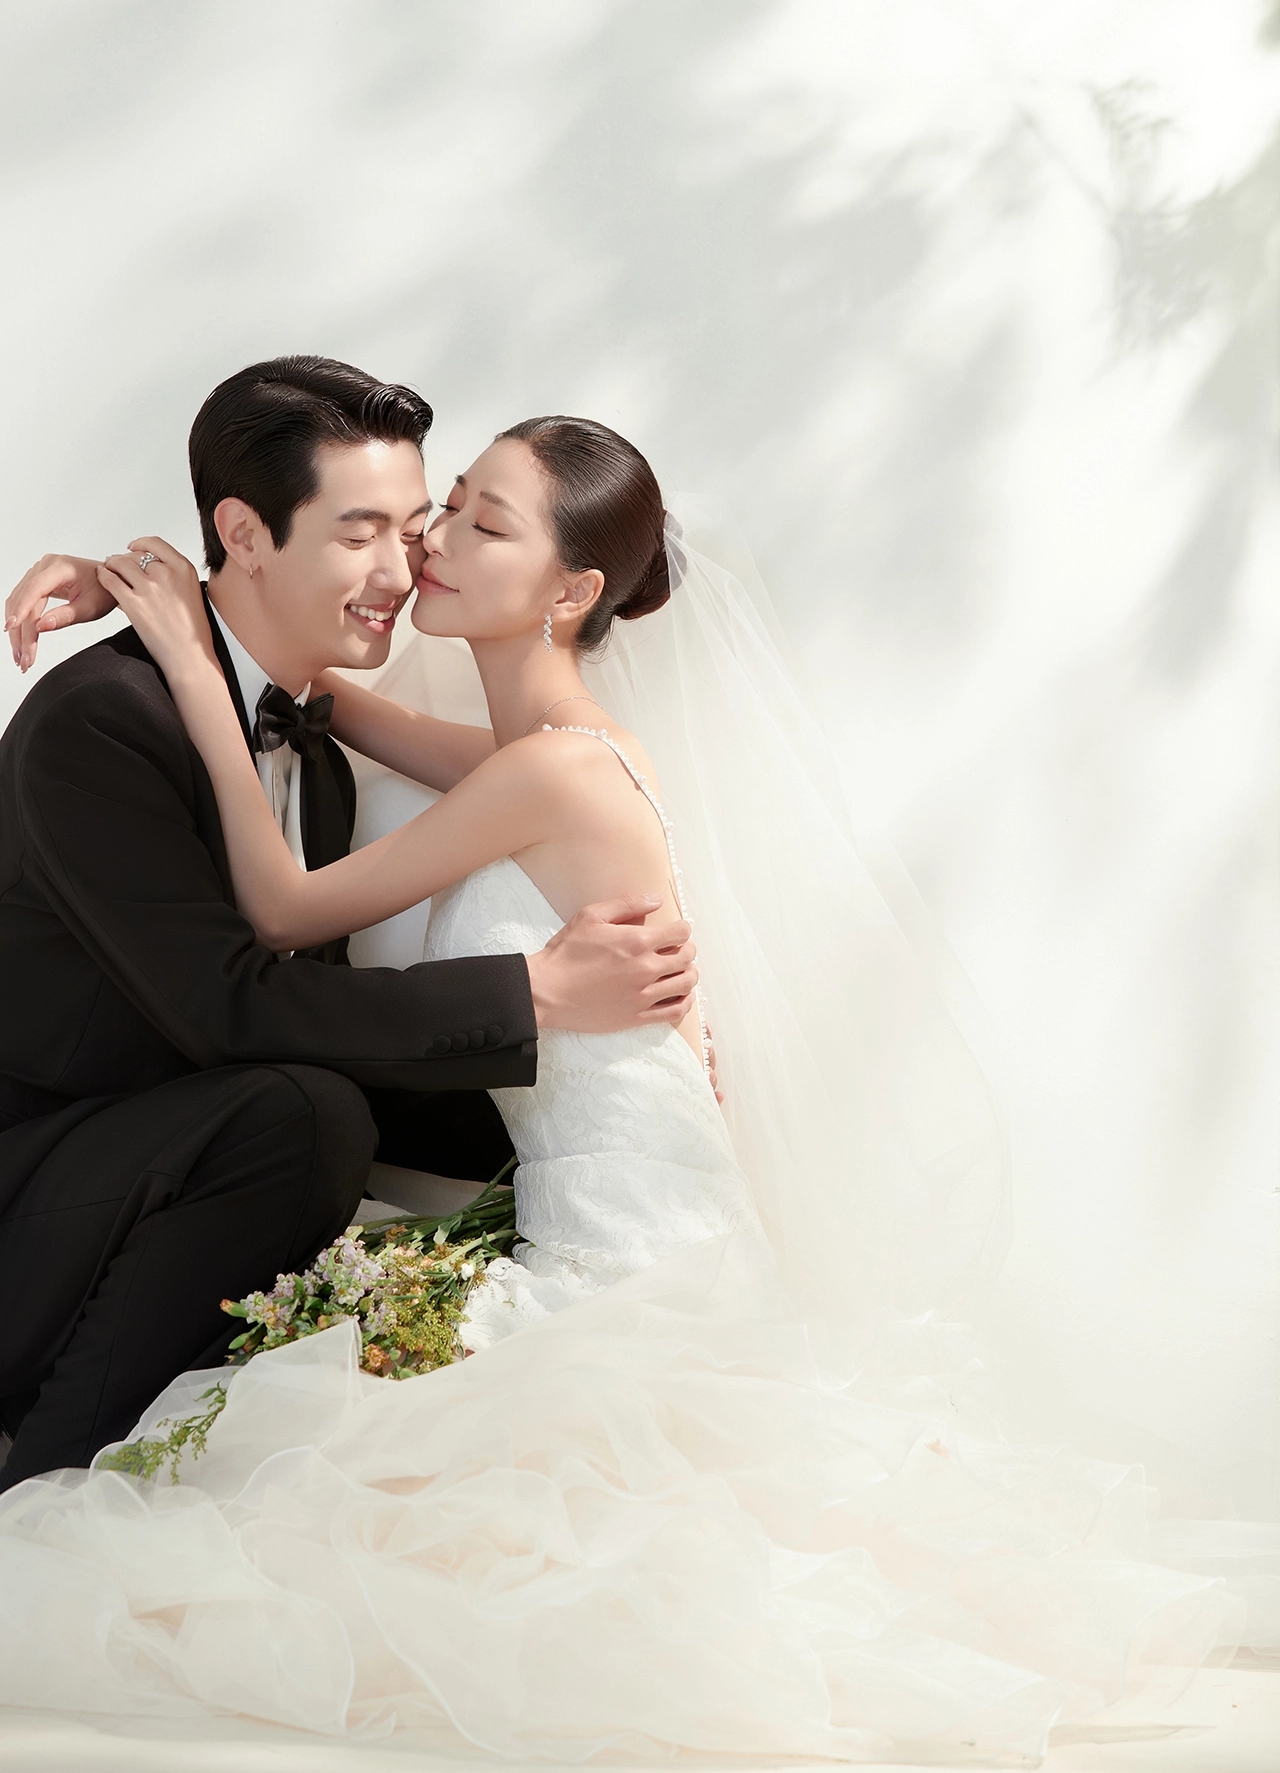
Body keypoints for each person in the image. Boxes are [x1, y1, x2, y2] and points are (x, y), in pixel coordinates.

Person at [0, 410, 1263, 1765]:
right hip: (623, 1185)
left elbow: (284, 911)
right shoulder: (542, 756)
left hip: (620, 1219)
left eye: (472, 522)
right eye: (433, 512)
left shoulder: (549, 769)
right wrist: (165, 599)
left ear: (572, 591)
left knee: (512, 1516)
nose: (427, 546)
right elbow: (313, 693)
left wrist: (200, 677)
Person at [0, 360, 697, 1491]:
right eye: (360, 532)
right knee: (300, 1113)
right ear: (245, 532)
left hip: (182, 1181)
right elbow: (233, 1010)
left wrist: (636, 1090)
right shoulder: (103, 724)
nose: (405, 567)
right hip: (39, 1199)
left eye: (416, 528)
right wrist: (536, 996)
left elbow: (314, 1002)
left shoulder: (319, 748)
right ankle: (48, 1489)